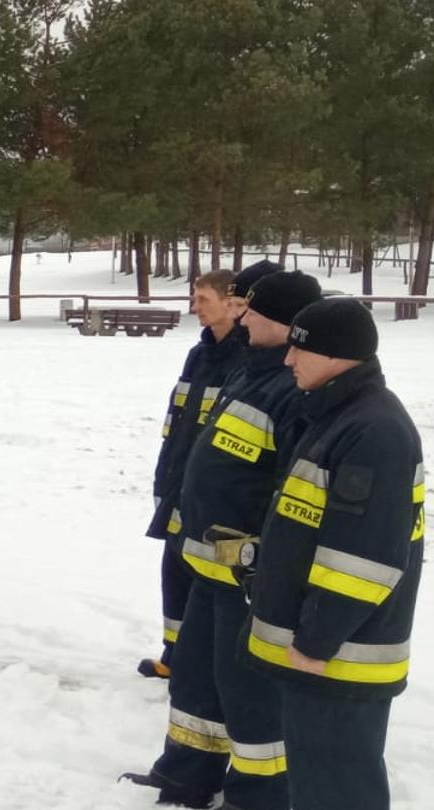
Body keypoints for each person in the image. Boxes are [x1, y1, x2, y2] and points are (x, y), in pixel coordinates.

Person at [122, 267, 319, 809]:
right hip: (206, 565)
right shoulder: (249, 369)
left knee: (248, 695)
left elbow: (291, 492)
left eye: (254, 309)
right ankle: (186, 776)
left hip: (245, 575)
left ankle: (256, 797)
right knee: (196, 681)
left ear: (285, 323)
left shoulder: (293, 389)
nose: (243, 315)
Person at [245, 298, 421, 810]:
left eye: (299, 349)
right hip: (325, 655)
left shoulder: (374, 431)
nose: (287, 360)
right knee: (318, 782)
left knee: (337, 789)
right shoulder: (336, 414)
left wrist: (317, 639)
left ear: (336, 354)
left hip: (341, 660)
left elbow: (367, 558)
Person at [141, 268, 248, 678]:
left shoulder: (246, 360)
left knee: (205, 577)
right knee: (174, 571)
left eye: (203, 299)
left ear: (231, 304)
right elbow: (178, 421)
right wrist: (165, 476)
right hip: (179, 481)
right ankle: (175, 655)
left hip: (213, 489)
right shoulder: (199, 354)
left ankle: (200, 661)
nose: (194, 307)